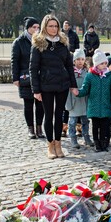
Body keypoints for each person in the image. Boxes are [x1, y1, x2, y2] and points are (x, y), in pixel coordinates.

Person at [30, 14, 78, 159]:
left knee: (59, 115)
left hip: (62, 84)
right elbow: (33, 68)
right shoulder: (38, 44)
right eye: (50, 26)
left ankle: (58, 143)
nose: (53, 28)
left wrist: (73, 85)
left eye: (56, 26)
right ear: (45, 26)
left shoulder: (63, 43)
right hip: (46, 85)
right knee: (48, 115)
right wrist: (36, 90)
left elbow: (69, 66)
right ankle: (50, 145)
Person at [73, 50, 111, 152]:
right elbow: (85, 89)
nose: (104, 65)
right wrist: (78, 92)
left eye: (105, 63)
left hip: (106, 106)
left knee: (105, 127)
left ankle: (104, 143)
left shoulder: (109, 76)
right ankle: (97, 144)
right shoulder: (90, 75)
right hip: (94, 106)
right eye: (101, 63)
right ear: (96, 64)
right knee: (95, 126)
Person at [11, 17, 45, 140]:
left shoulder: (41, 40)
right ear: (28, 28)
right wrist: (15, 78)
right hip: (25, 76)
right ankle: (30, 128)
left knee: (40, 103)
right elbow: (15, 61)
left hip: (40, 76)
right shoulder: (19, 42)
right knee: (28, 104)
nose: (36, 30)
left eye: (38, 27)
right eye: (33, 27)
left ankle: (39, 127)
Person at [65, 49, 93, 149]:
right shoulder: (70, 73)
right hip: (73, 101)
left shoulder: (87, 73)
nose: (80, 61)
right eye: (78, 59)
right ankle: (73, 139)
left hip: (84, 101)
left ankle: (86, 138)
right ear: (74, 61)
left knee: (85, 121)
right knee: (72, 121)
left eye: (82, 59)